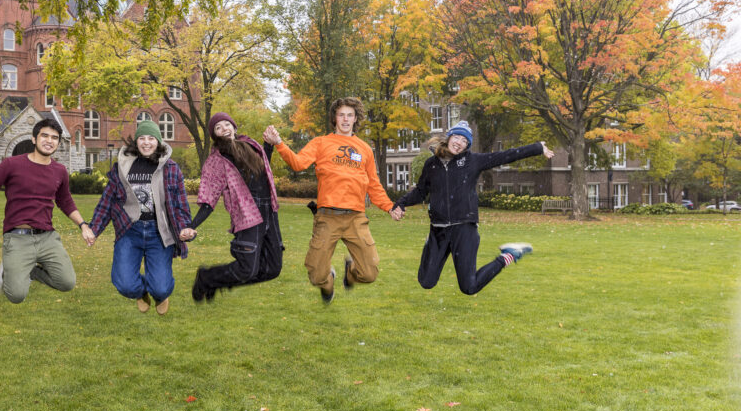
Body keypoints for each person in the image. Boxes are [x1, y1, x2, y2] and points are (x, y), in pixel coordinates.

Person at [391, 120, 554, 295]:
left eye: (464, 141)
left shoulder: (472, 161)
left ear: (467, 145)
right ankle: (430, 244)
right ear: (449, 137)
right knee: (426, 281)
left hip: (464, 229)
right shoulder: (431, 164)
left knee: (469, 287)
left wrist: (537, 148)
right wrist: (401, 203)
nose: (459, 143)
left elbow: (505, 155)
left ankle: (508, 255)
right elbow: (421, 191)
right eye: (457, 137)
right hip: (438, 230)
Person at [263, 97, 400, 304]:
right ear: (334, 118)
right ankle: (328, 284)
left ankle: (350, 273)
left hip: (356, 219)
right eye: (341, 114)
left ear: (356, 119)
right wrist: (280, 144)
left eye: (350, 115)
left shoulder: (364, 149)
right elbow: (298, 163)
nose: (345, 119)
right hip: (327, 217)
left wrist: (389, 207)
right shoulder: (321, 143)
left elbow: (373, 185)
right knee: (317, 275)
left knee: (369, 273)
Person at [0, 118, 96, 304]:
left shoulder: (60, 170)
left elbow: (65, 201)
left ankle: (30, 270)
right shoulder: (11, 164)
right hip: (17, 237)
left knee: (66, 282)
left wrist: (83, 225)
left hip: (47, 237)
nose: (49, 141)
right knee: (16, 295)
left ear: (58, 142)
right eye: (44, 136)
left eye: (54, 138)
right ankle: (11, 269)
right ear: (34, 139)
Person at [89, 120, 192, 315]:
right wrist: (94, 229)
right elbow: (107, 201)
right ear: (136, 142)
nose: (146, 142)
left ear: (158, 141)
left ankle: (160, 294)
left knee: (161, 288)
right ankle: (141, 291)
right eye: (142, 138)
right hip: (130, 230)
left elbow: (179, 204)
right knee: (125, 284)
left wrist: (185, 227)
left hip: (159, 232)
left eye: (151, 138)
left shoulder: (171, 168)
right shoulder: (122, 167)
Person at [181, 112, 282, 302]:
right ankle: (206, 278)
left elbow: (263, 168)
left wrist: (268, 145)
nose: (224, 129)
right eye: (218, 128)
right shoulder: (217, 160)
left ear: (234, 127)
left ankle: (215, 281)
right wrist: (192, 225)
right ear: (215, 135)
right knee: (246, 270)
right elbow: (208, 198)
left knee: (273, 269)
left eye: (226, 124)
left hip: (270, 211)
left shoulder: (251, 145)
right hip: (248, 214)